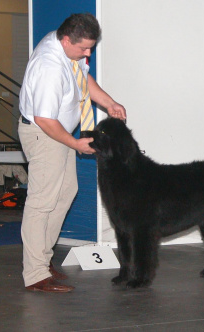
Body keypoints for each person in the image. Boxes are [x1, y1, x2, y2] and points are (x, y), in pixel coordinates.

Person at [18, 13, 126, 293]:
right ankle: (35, 274)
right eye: (84, 48)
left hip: (58, 132)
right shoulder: (48, 67)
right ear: (66, 40)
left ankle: (42, 260)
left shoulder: (65, 45)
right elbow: (44, 119)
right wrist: (76, 143)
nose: (88, 53)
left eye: (91, 47)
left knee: (65, 192)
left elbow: (82, 76)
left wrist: (109, 102)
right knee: (41, 202)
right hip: (45, 133)